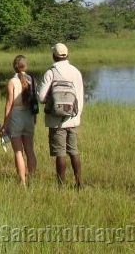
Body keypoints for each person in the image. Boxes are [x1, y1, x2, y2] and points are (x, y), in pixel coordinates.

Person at [37, 43, 85, 188]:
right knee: (73, 151)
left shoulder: (51, 72)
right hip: (73, 118)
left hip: (55, 120)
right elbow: (80, 96)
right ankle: (79, 182)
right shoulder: (75, 71)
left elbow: (40, 97)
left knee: (60, 153)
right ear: (67, 55)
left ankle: (61, 185)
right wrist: (76, 116)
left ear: (54, 56)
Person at [2, 55, 37, 186]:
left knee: (18, 151)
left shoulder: (12, 82)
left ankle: (22, 181)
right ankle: (32, 179)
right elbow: (34, 102)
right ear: (25, 66)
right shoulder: (32, 79)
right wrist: (34, 119)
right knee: (30, 150)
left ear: (14, 66)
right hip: (29, 117)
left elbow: (9, 104)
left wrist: (5, 124)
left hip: (16, 117)